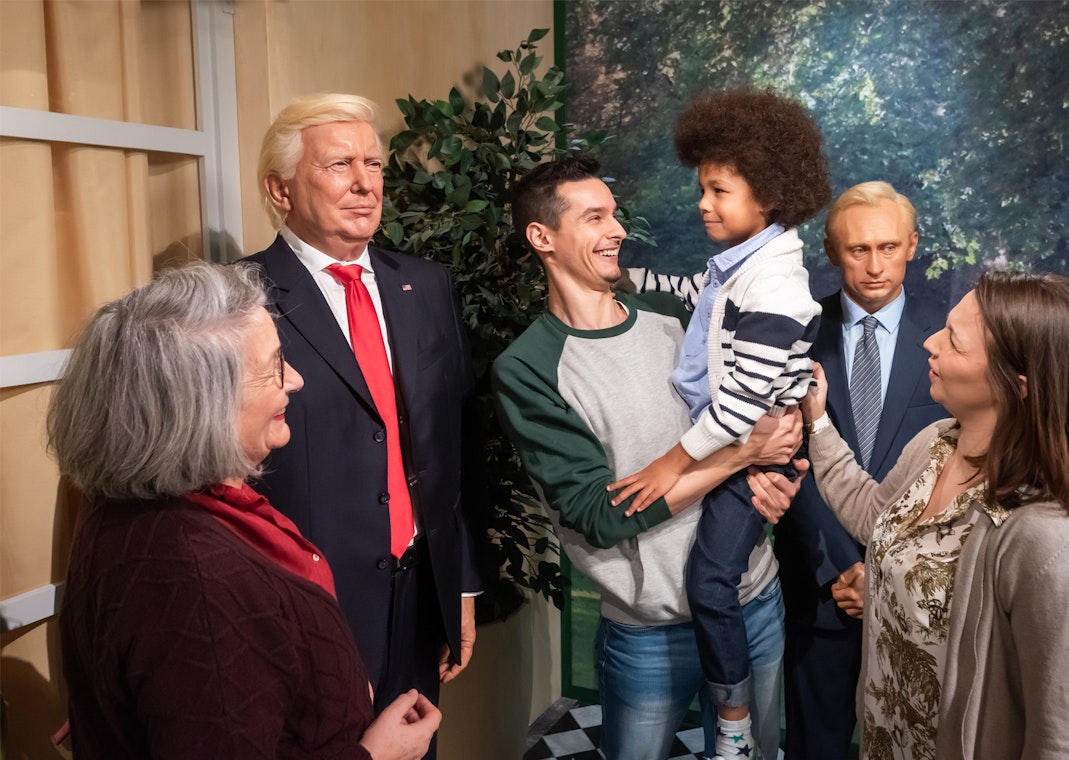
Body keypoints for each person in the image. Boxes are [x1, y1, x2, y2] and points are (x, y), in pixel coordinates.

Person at [49, 262, 441, 760]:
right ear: (203, 407)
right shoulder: (192, 578)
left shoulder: (141, 505)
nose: (295, 381)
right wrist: (376, 755)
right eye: (275, 365)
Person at [492, 157, 804, 760]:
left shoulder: (676, 323)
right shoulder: (527, 369)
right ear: (542, 237)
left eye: (616, 215)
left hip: (752, 601)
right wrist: (743, 458)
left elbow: (760, 412)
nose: (618, 230)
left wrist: (775, 468)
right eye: (595, 217)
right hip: (648, 634)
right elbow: (601, 516)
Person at [802, 270, 1069, 760]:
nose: (930, 343)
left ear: (1016, 384)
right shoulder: (937, 444)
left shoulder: (1058, 547)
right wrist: (818, 421)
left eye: (953, 340)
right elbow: (875, 516)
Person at [239, 94, 479, 744]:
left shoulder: (426, 286)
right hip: (308, 608)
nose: (365, 183)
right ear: (279, 188)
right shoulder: (237, 301)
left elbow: (447, 450)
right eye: (340, 164)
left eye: (373, 164)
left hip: (422, 595)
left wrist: (460, 588)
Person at [610, 88, 831, 759]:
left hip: (753, 445)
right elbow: (698, 300)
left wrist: (669, 466)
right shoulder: (737, 268)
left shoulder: (777, 287)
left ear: (766, 196)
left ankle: (732, 717)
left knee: (709, 580)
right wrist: (628, 278)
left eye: (719, 191)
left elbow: (738, 411)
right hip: (744, 436)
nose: (703, 204)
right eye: (702, 188)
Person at [773, 181, 946, 759]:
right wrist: (843, 568)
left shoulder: (951, 343)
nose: (875, 266)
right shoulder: (794, 335)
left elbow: (958, 467)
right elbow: (786, 459)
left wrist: (888, 574)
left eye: (889, 248)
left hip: (918, 603)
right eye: (857, 250)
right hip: (823, 588)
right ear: (831, 251)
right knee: (813, 747)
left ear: (913, 246)